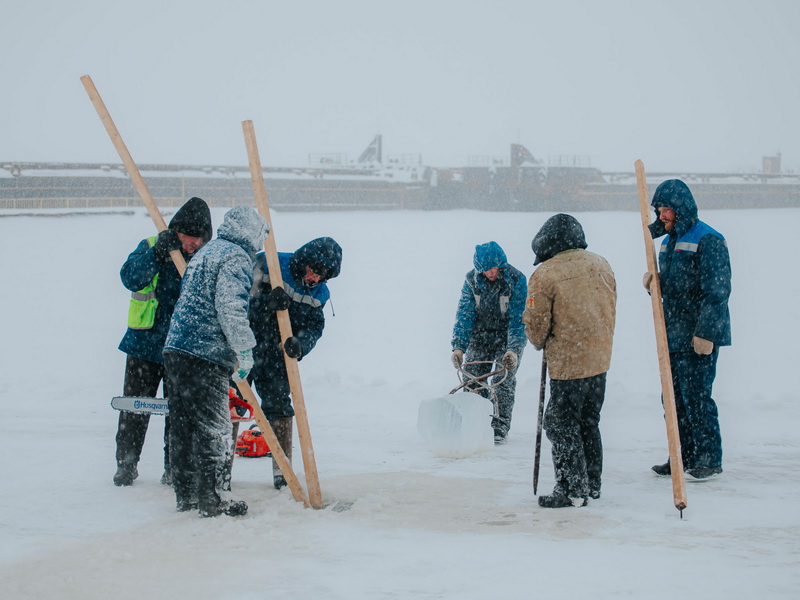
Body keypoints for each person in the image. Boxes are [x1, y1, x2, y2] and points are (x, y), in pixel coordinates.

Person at [163, 206, 269, 517]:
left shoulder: (208, 252)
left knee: (182, 427)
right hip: (204, 352)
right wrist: (244, 350)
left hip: (176, 348)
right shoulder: (235, 257)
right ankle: (215, 499)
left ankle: (187, 496)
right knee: (215, 429)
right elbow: (230, 307)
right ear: (250, 232)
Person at [113, 196, 212, 487]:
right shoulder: (151, 244)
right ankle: (126, 463)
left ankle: (175, 467)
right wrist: (158, 254)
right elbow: (130, 278)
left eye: (198, 240)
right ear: (176, 232)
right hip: (144, 344)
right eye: (188, 239)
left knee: (179, 414)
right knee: (135, 407)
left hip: (183, 348)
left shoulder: (206, 258)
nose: (192, 245)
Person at [523, 214, 616, 508]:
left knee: (560, 424)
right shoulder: (601, 264)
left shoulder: (545, 274)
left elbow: (537, 323)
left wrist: (538, 340)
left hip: (568, 362)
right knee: (589, 422)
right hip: (599, 359)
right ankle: (592, 482)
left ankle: (573, 488)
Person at [644, 179, 731, 481]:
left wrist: (706, 332)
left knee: (696, 397)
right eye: (659, 210)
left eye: (667, 210)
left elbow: (717, 291)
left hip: (698, 334)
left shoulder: (708, 239)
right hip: (674, 331)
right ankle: (681, 455)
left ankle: (708, 457)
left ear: (681, 209)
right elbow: (675, 289)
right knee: (673, 398)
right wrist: (654, 286)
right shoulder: (668, 241)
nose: (662, 216)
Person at [247, 237, 342, 489]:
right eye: (317, 271)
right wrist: (266, 304)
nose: (317, 279)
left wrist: (300, 344)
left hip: (277, 356)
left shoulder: (319, 293)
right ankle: (217, 465)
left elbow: (313, 326)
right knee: (230, 401)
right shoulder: (270, 265)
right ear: (306, 261)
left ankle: (283, 472)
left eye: (325, 276)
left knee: (279, 406)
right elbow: (238, 299)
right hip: (244, 345)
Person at [451, 241, 527, 443]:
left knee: (503, 379)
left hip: (506, 335)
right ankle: (475, 421)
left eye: (494, 268)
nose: (491, 273)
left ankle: (499, 426)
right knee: (474, 379)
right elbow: (465, 314)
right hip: (480, 335)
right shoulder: (471, 281)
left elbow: (518, 318)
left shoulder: (516, 280)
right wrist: (459, 347)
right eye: (486, 270)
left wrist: (514, 350)